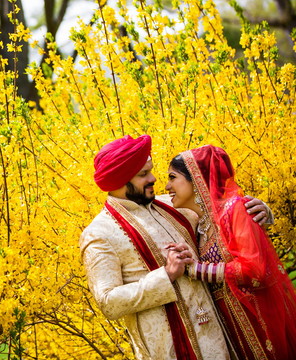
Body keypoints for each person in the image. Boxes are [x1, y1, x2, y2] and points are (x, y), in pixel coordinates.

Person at [79, 135, 270, 360]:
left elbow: (220, 214)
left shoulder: (174, 204)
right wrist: (165, 276)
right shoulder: (99, 233)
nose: (153, 178)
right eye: (143, 174)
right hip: (168, 350)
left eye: (150, 170)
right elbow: (108, 303)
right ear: (120, 180)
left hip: (220, 339)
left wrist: (260, 211)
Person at [165, 145, 296, 360]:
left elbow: (255, 270)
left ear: (196, 177)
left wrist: (198, 270)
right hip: (228, 330)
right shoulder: (200, 226)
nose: (167, 185)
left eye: (172, 177)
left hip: (260, 320)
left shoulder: (235, 209)